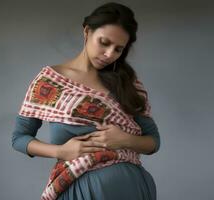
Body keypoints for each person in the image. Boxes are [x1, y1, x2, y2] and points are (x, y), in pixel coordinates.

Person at [11, 2, 160, 200]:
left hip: (133, 188)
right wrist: (61, 151)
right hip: (80, 189)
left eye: (118, 49)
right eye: (104, 42)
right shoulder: (50, 82)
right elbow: (19, 138)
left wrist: (125, 139)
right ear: (87, 31)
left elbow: (153, 142)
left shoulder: (127, 83)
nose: (109, 54)